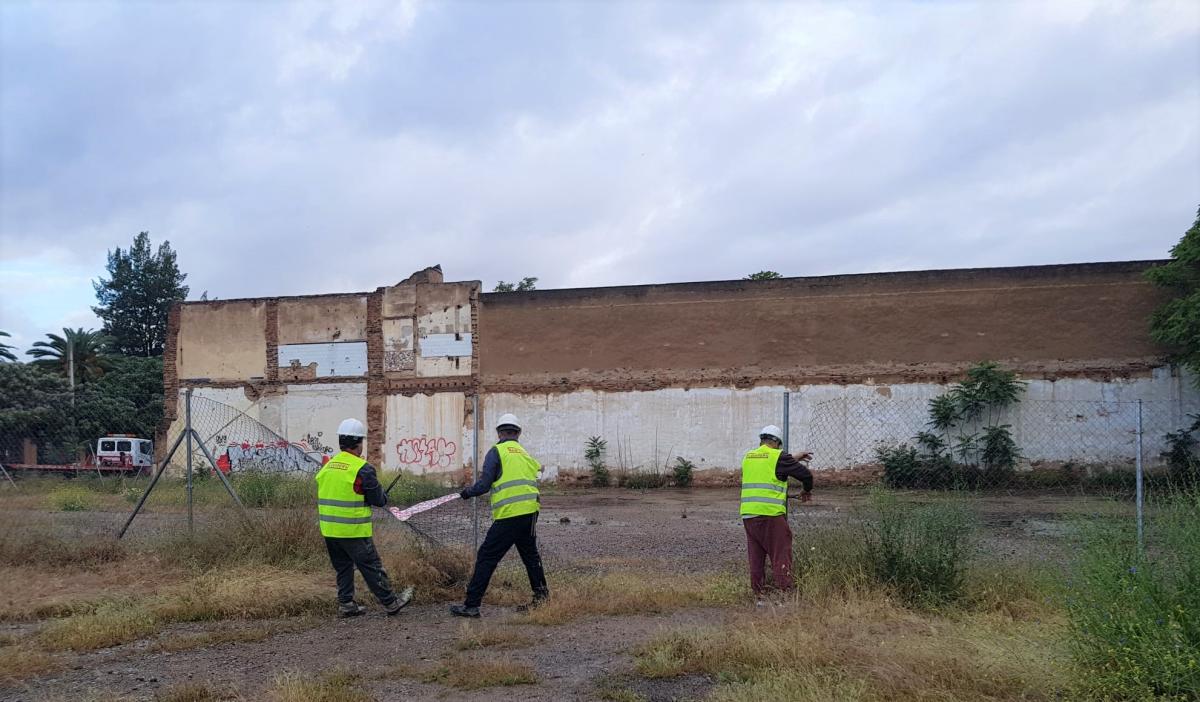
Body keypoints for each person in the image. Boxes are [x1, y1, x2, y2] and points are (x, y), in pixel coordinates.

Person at [450, 413, 549, 618]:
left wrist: (467, 492)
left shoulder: (496, 452)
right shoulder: (524, 453)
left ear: (499, 433)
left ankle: (471, 605)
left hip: (509, 516)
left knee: (487, 557)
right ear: (518, 433)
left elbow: (484, 485)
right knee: (531, 556)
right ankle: (542, 598)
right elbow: (537, 473)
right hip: (530, 513)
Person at [315, 418, 413, 618]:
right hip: (353, 530)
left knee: (343, 568)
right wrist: (382, 495)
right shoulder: (362, 468)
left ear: (341, 441)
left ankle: (346, 604)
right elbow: (378, 500)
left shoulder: (328, 466)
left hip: (330, 530)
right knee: (371, 567)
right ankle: (391, 603)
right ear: (359, 443)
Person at [740, 424, 813, 602]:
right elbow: (806, 476)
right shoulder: (779, 456)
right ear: (778, 442)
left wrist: (793, 458)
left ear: (762, 440)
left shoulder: (749, 456)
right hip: (770, 515)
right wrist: (806, 491)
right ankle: (785, 595)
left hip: (749, 515)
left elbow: (770, 466)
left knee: (756, 556)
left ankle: (758, 596)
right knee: (781, 552)